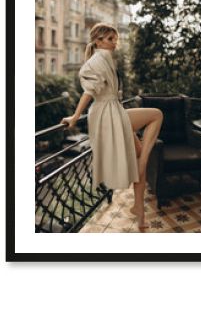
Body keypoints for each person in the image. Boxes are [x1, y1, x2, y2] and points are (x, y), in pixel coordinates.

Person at [61, 23, 163, 230]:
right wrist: (75, 116)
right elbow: (89, 92)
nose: (115, 42)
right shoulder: (97, 60)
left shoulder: (105, 58)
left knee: (140, 151)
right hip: (107, 114)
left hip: (113, 110)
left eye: (115, 38)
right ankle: (142, 166)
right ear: (98, 41)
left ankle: (139, 211)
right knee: (156, 115)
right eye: (110, 39)